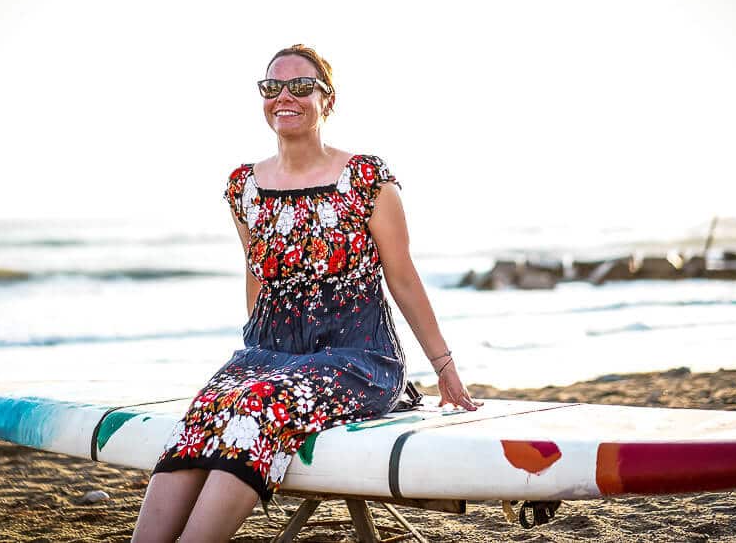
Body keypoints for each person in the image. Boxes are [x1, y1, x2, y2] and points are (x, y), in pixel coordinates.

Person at [131, 44, 480, 542]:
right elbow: (257, 274)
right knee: (206, 411)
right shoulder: (244, 187)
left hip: (358, 355)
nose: (285, 96)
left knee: (260, 406)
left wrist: (444, 367)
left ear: (327, 99)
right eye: (272, 87)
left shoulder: (365, 179)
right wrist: (251, 358)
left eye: (300, 86)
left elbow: (402, 277)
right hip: (269, 353)